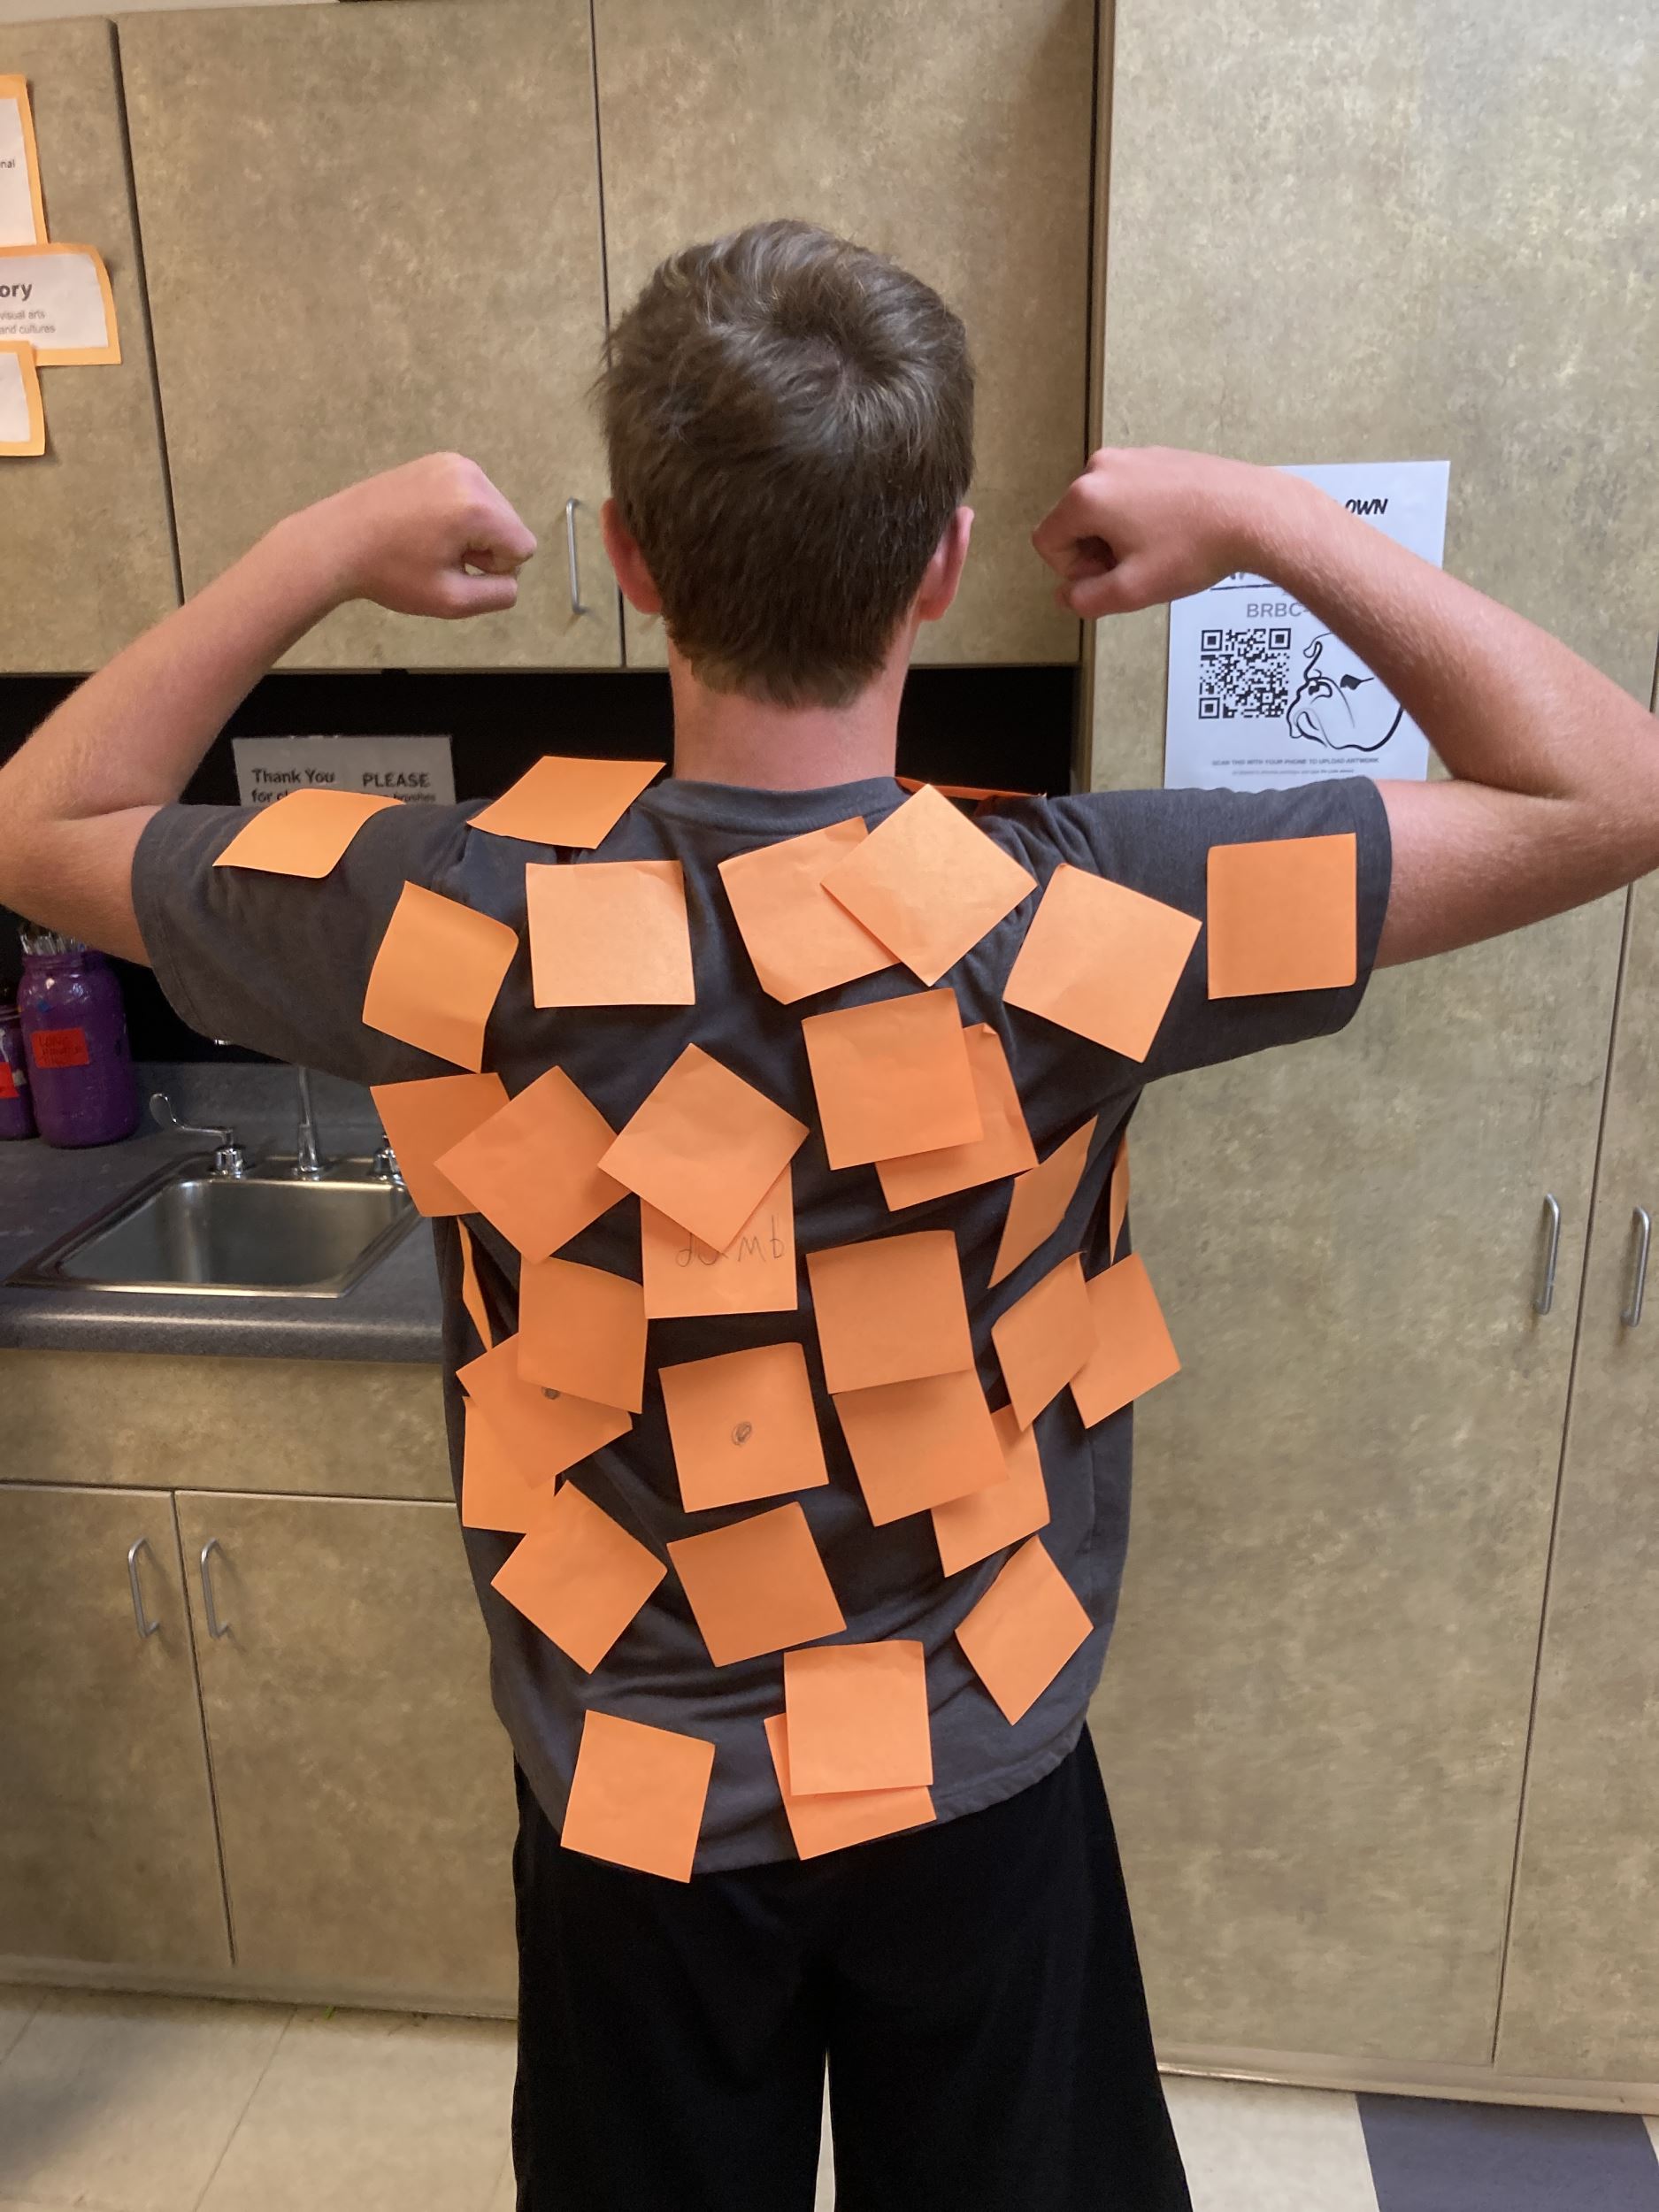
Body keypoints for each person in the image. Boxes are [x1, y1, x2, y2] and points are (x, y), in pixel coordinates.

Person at [0, 219, 1654, 2212]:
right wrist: (1265, 521)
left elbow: (34, 820)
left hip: (636, 1806)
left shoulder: (439, 909)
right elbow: (1604, 789)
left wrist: (321, 547)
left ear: (629, 558)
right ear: (942, 561)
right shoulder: (1089, 907)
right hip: (973, 1777)